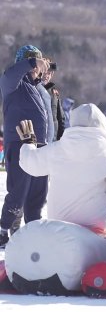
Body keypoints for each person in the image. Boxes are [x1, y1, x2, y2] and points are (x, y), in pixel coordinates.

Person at [16, 104, 106, 238]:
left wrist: (28, 143)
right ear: (102, 125)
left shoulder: (58, 149)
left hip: (58, 219)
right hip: (96, 219)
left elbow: (30, 163)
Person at [0, 45, 50, 247]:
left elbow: (48, 117)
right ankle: (3, 230)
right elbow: (12, 72)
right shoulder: (12, 82)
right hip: (19, 143)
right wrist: (31, 63)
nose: (38, 67)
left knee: (38, 193)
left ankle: (33, 229)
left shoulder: (37, 87)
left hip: (39, 146)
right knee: (18, 191)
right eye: (35, 62)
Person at [42, 57, 65, 141]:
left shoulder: (54, 93)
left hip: (53, 140)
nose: (47, 76)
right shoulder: (33, 89)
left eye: (50, 73)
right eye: (45, 72)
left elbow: (61, 118)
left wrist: (61, 140)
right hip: (39, 138)